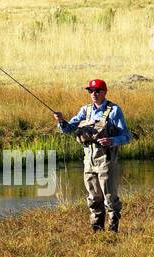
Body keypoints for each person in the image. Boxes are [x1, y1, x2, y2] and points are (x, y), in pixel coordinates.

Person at [53, 78, 130, 233]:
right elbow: (68, 129)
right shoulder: (85, 111)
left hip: (106, 161)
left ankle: (112, 233)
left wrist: (111, 140)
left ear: (104, 92)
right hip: (88, 162)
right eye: (90, 91)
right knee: (93, 198)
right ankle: (97, 232)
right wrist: (61, 121)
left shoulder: (114, 110)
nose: (93, 94)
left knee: (110, 199)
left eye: (96, 91)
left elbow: (126, 137)